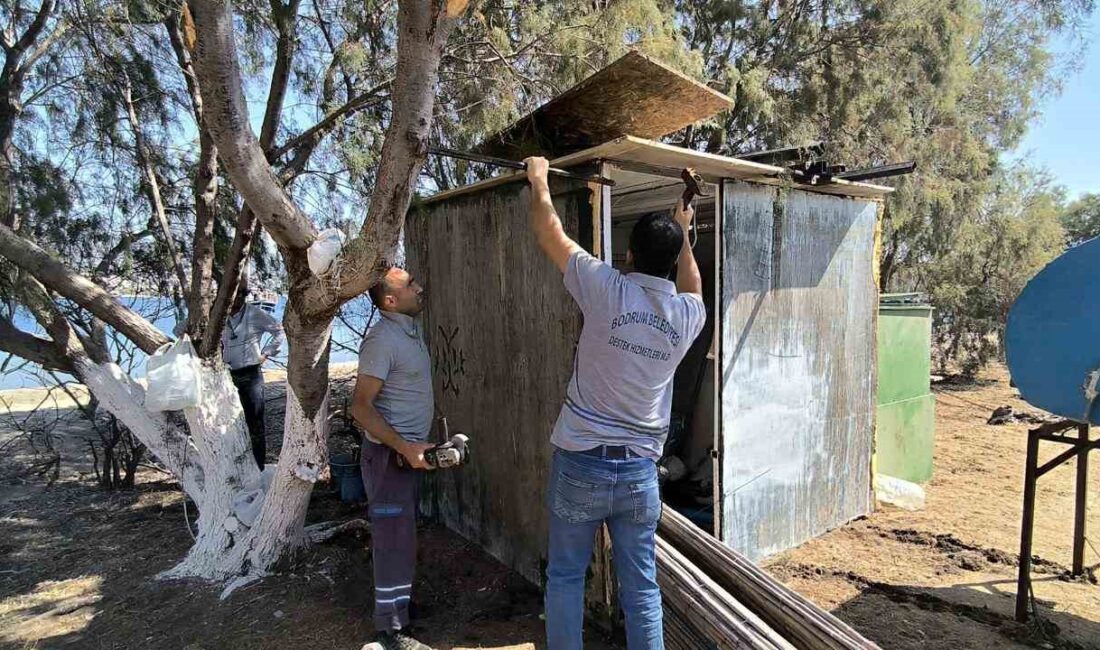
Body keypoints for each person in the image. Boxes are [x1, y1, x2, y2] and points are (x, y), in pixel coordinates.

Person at [524, 157, 706, 649]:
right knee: (641, 588)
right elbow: (693, 285)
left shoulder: (606, 289)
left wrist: (539, 177)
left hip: (581, 463)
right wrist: (684, 231)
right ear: (671, 260)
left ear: (627, 253)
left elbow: (550, 233)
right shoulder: (688, 316)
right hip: (637, 477)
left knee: (565, 577)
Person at [350, 266, 437, 650]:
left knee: (403, 535)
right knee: (391, 539)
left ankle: (399, 608)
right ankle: (389, 631)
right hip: (389, 459)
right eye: (410, 285)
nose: (419, 287)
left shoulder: (408, 332)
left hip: (405, 457)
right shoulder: (382, 340)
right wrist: (404, 447)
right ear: (390, 300)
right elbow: (361, 409)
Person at [221, 279, 284, 468]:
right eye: (232, 294)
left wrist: (266, 354)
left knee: (255, 421)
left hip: (250, 375)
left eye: (240, 294)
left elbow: (279, 332)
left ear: (244, 295)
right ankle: (235, 465)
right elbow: (184, 328)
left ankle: (258, 465)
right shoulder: (218, 315)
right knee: (228, 421)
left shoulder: (255, 314)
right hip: (225, 375)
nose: (235, 299)